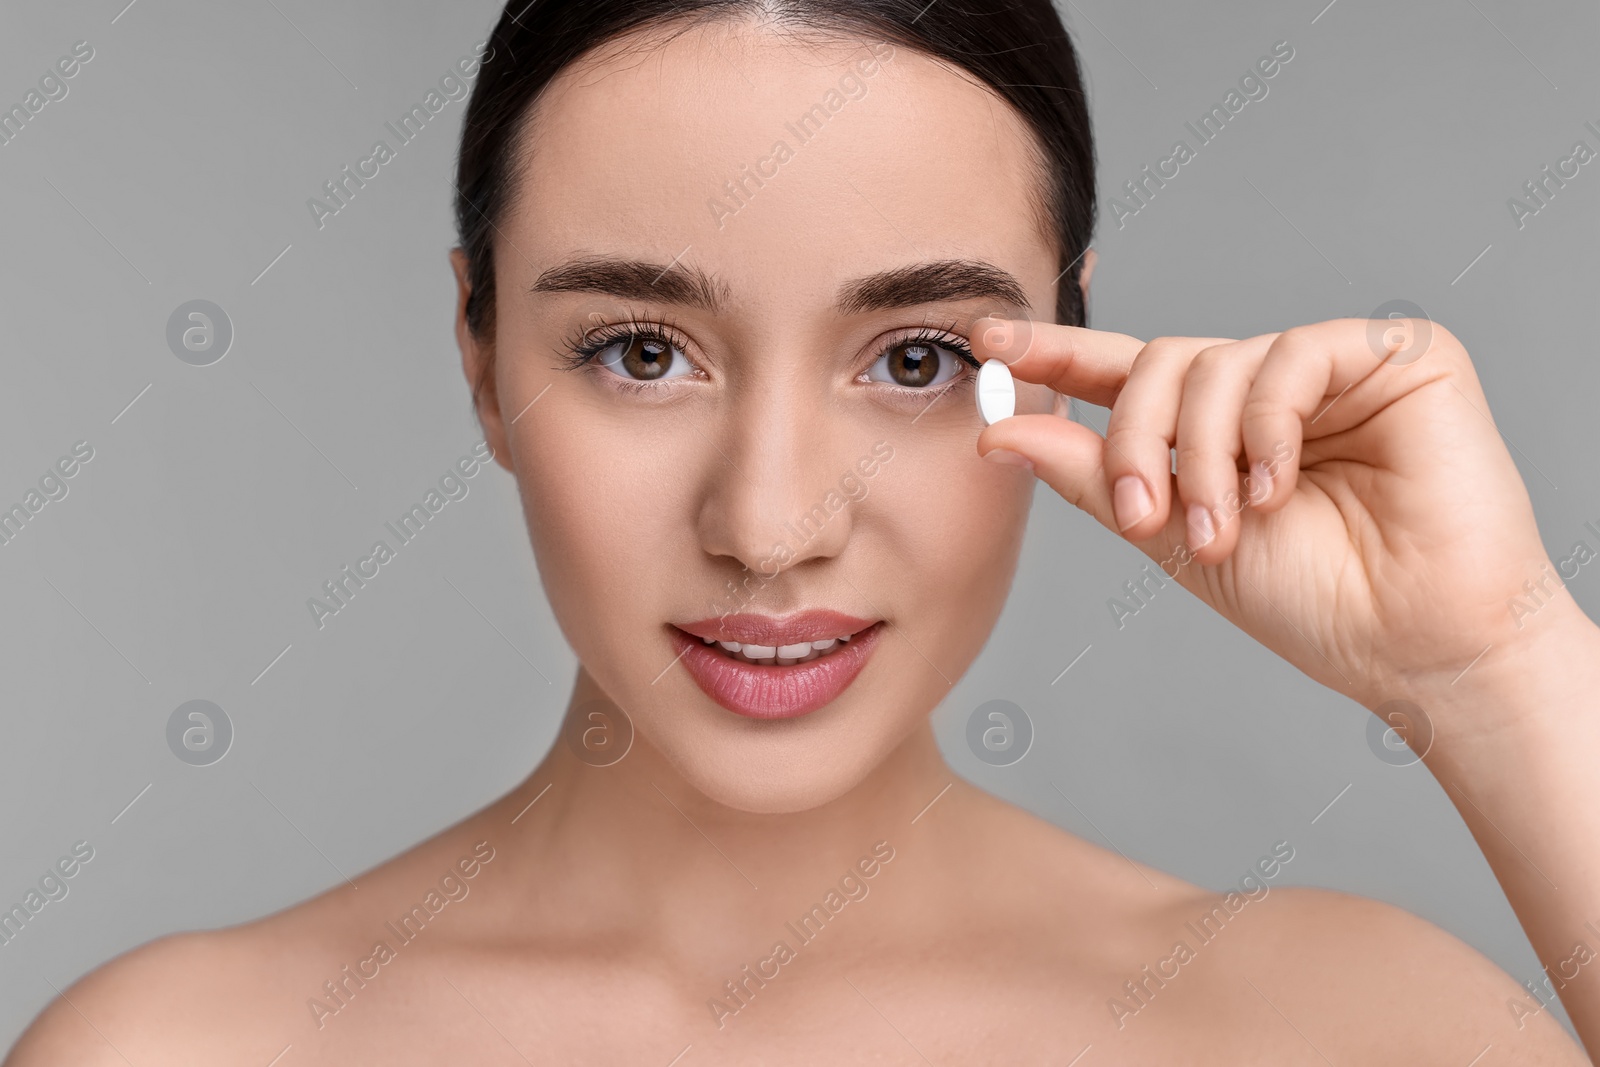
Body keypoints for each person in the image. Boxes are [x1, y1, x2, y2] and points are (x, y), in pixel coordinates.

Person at [11, 1, 1599, 1062]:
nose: (770, 526)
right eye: (640, 350)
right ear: (482, 359)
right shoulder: (183, 1051)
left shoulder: (1344, 1030)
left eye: (918, 362)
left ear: (1072, 340)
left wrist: (1498, 667)